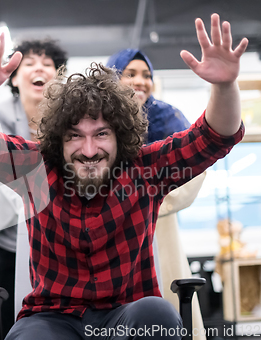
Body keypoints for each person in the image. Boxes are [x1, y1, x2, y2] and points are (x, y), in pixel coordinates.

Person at [0, 13, 247, 340]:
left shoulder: (145, 168)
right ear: (58, 140)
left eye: (101, 134)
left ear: (121, 135)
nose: (89, 150)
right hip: (52, 319)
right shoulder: (35, 168)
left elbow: (214, 137)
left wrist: (225, 85)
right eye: (75, 136)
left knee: (157, 313)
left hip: (128, 314)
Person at [106, 49, 207, 338]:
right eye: (131, 73)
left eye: (147, 75)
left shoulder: (168, 117)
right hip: (110, 227)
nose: (141, 81)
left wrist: (150, 200)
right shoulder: (99, 121)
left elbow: (196, 170)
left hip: (159, 227)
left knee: (165, 305)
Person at [0, 38, 67, 338]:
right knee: (7, 321)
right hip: (9, 236)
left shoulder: (69, 115)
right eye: (29, 63)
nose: (38, 68)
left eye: (47, 64)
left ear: (59, 76)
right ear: (15, 77)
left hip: (58, 236)